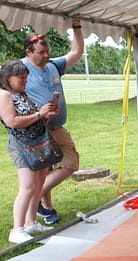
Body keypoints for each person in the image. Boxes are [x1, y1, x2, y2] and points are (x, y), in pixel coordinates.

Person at [22, 15, 84, 225]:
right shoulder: (18, 70)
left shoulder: (53, 66)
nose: (46, 55)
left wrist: (76, 26)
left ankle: (38, 197)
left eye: (47, 51)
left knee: (70, 162)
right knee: (43, 171)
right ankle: (46, 210)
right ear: (28, 52)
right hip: (37, 129)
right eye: (41, 52)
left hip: (58, 127)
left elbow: (76, 52)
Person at [0, 60, 59, 243]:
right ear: (8, 78)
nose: (25, 81)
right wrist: (39, 114)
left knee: (38, 184)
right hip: (22, 145)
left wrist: (46, 115)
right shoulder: (4, 95)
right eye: (21, 78)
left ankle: (31, 222)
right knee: (28, 187)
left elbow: (33, 119)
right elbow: (12, 121)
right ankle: (17, 229)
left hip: (37, 142)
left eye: (26, 78)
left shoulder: (21, 93)